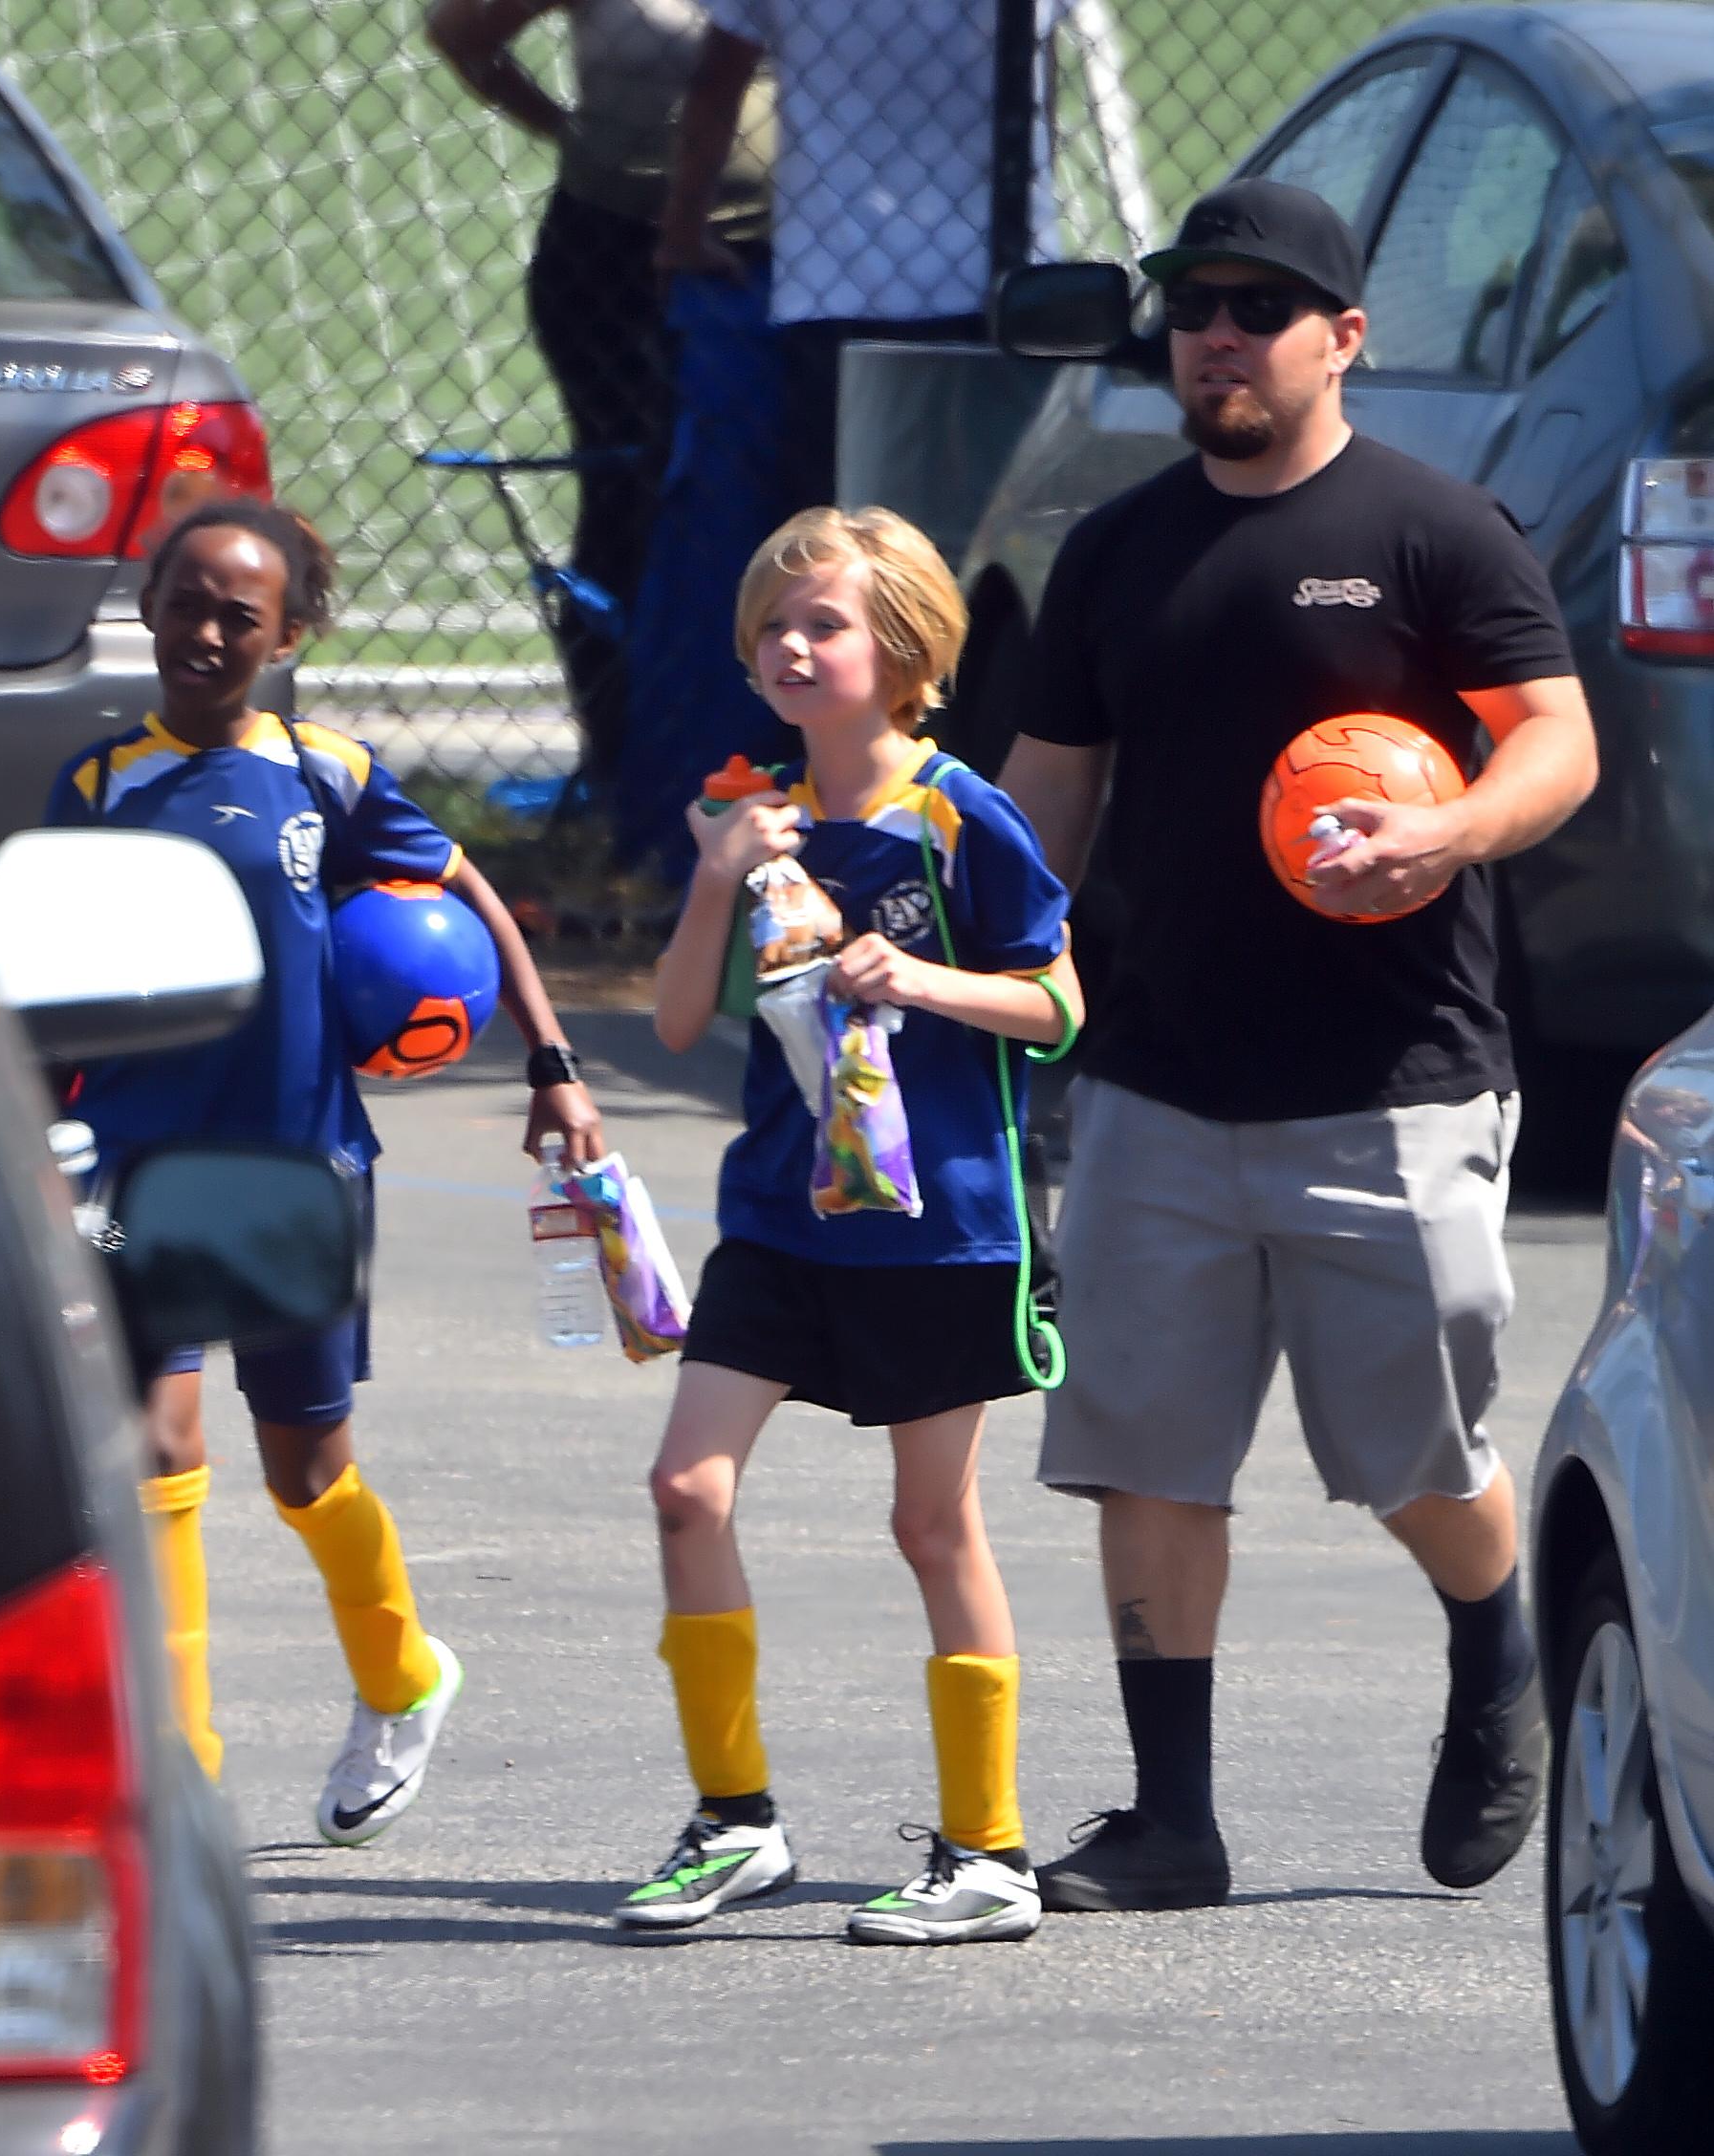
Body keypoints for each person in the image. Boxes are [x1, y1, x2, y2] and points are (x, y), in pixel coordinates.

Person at [998, 179, 1599, 1913]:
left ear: (1344, 337)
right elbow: (1047, 801)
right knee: (1142, 1447)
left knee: (1411, 1455)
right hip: (1155, 1081)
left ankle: (1499, 1658)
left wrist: (1452, 834)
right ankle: (1170, 1818)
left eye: (1259, 307)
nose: (1216, 335)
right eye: (1193, 305)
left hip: (1390, 1079)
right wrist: (925, 930)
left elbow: (1549, 740)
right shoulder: (1114, 550)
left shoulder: (1433, 532)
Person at [47, 498, 605, 1843]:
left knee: (303, 1470)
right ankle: (181, 1774)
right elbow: (53, 967)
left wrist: (552, 1065)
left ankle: (404, 1676)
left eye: (240, 614)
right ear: (147, 607)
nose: (205, 630)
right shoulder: (97, 783)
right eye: (184, 601)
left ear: (287, 635)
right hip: (142, 1170)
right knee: (156, 1453)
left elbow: (471, 895)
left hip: (296, 1175)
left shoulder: (327, 776)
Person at [617, 506, 1081, 1944]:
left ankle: (987, 1853)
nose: (791, 647)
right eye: (771, 625)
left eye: (822, 623)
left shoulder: (957, 814)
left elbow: (1058, 1007)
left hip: (938, 1226)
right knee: (687, 1488)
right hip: (778, 1216)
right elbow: (682, 1020)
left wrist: (924, 982)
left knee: (930, 1524)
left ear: (904, 649)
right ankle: (734, 1819)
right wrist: (711, 875)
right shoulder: (753, 818)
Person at [426, 0, 773, 790]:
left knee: (776, 508)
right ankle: (627, 767)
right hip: (614, 258)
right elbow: (461, 33)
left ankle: (774, 751)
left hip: (782, 265)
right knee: (630, 509)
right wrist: (565, 128)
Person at [655, 0, 1063, 507]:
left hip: (842, 289)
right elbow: (1041, 74)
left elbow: (718, 82)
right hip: (1005, 282)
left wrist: (683, 232)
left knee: (848, 535)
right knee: (1001, 523)